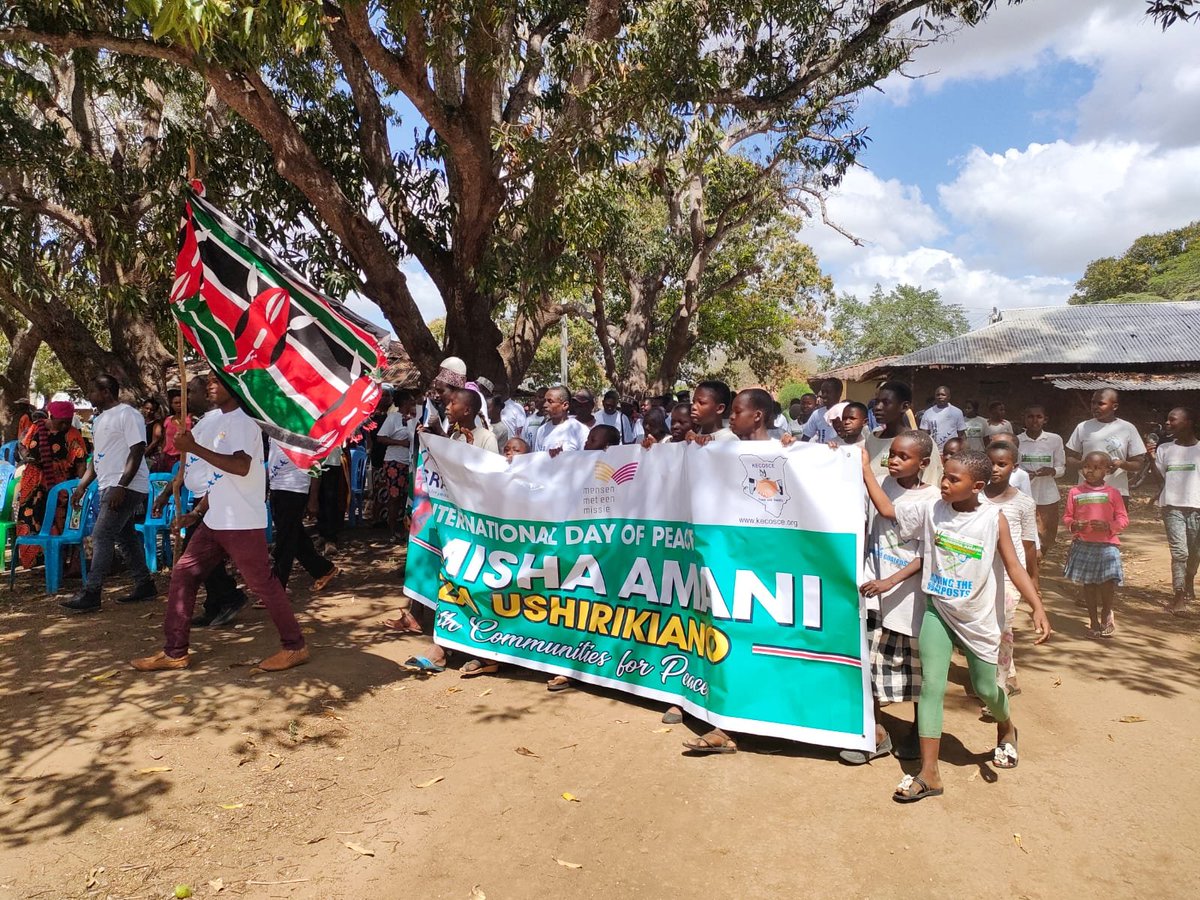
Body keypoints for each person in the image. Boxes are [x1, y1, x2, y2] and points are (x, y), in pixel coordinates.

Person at [861, 449, 1052, 802]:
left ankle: (1006, 726)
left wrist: (1037, 605)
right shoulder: (933, 509)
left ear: (976, 486)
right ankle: (929, 773)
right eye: (944, 476)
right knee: (932, 686)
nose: (944, 483)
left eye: (953, 479)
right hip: (938, 610)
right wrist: (863, 469)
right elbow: (889, 511)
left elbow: (1013, 566)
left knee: (985, 688)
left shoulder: (994, 520)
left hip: (978, 618)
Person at [132, 375, 309, 672]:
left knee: (262, 583)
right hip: (216, 519)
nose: (210, 386)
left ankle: (294, 646)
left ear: (235, 385)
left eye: (218, 380)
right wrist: (198, 511)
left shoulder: (244, 421)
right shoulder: (215, 421)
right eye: (208, 381)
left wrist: (195, 448)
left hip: (240, 520)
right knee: (184, 574)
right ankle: (175, 651)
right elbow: (218, 478)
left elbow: (239, 467)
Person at [682, 388, 782, 752]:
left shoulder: (783, 454)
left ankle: (765, 721)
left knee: (763, 643)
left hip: (767, 570)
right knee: (728, 640)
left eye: (737, 412)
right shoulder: (718, 452)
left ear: (757, 416)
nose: (732, 419)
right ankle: (726, 728)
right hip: (729, 564)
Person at [840, 429, 935, 766]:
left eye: (903, 457)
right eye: (891, 454)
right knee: (871, 664)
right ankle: (876, 732)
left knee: (914, 671)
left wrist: (890, 580)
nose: (894, 461)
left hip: (907, 598)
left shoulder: (930, 500)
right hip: (874, 591)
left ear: (923, 463)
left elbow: (923, 551)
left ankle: (916, 728)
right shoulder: (883, 481)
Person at [152, 373, 248, 628]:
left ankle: (228, 597)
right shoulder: (200, 423)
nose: (185, 399)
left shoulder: (219, 421)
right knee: (204, 556)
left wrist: (204, 503)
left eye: (190, 393)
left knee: (195, 556)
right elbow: (188, 464)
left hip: (212, 499)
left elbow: (221, 465)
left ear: (206, 393)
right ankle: (217, 603)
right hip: (200, 498)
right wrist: (166, 492)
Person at [61, 374, 157, 613]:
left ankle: (92, 592)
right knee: (124, 537)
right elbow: (98, 458)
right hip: (109, 485)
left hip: (126, 486)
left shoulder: (128, 414)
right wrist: (82, 486)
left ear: (105, 392)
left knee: (102, 534)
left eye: (92, 391)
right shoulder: (99, 419)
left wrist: (122, 486)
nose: (89, 396)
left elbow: (137, 450)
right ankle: (145, 584)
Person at [981, 441, 1039, 697]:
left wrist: (1033, 580)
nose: (995, 469)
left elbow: (1028, 545)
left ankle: (998, 688)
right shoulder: (974, 496)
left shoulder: (1024, 503)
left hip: (1008, 576)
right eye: (991, 463)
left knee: (1003, 631)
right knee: (985, 629)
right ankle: (995, 675)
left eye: (1002, 464)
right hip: (978, 574)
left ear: (1013, 467)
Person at [14, 400, 87, 570]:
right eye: (61, 421)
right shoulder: (35, 428)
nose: (65, 425)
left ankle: (59, 564)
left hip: (59, 486)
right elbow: (22, 446)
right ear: (51, 416)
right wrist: (28, 457)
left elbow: (81, 461)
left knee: (58, 522)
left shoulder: (73, 434)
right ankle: (36, 563)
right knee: (32, 520)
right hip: (32, 485)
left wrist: (82, 486)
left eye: (68, 422)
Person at [1063, 451, 1129, 637]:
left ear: (1107, 471)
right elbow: (1068, 516)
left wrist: (1109, 525)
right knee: (1089, 584)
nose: (1090, 471)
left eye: (1096, 468)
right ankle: (1092, 619)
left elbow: (1123, 519)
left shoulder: (1113, 493)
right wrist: (1074, 525)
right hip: (1084, 544)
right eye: (1086, 466)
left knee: (1108, 583)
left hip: (1108, 545)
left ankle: (1107, 612)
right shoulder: (1075, 492)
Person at [268, 438, 339, 592]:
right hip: (277, 488)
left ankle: (277, 587)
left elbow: (315, 465)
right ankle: (323, 569)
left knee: (285, 539)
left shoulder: (302, 429)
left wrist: (313, 498)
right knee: (294, 535)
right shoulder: (273, 425)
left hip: (294, 489)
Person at [1155, 407, 1200, 615]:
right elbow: (1161, 480)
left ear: (1188, 422)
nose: (1167, 423)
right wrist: (1150, 459)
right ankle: (1179, 596)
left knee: (1195, 552)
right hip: (1172, 506)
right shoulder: (1164, 449)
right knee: (1180, 552)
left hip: (1197, 507)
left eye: (1172, 420)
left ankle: (1189, 579)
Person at [1065, 389, 1146, 499]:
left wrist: (1122, 464)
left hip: (1117, 491)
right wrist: (1084, 464)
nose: (1095, 407)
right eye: (1093, 403)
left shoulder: (1127, 428)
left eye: (1101, 403)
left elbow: (1139, 463)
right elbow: (1069, 458)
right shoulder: (1083, 427)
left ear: (1115, 406)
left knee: (1117, 517)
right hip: (1087, 492)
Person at [865, 382, 942, 488]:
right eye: (877, 402)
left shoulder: (921, 442)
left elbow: (931, 481)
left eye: (886, 402)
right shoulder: (872, 438)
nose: (877, 407)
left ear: (904, 406)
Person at [1017, 405, 1066, 549]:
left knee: (1047, 532)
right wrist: (1023, 475)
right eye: (1030, 417)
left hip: (1047, 493)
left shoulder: (1054, 439)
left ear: (1045, 420)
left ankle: (1041, 559)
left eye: (1038, 417)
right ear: (1024, 419)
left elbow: (1061, 468)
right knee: (1023, 531)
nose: (1034, 421)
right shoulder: (1017, 440)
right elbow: (1012, 466)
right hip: (1023, 493)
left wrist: (1051, 471)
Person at [374, 390, 417, 542]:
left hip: (408, 462)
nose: (414, 405)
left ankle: (405, 529)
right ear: (404, 403)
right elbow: (380, 437)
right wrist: (400, 443)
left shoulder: (413, 419)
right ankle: (392, 531)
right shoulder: (393, 418)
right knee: (394, 498)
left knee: (406, 497)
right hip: (394, 461)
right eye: (412, 402)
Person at [532, 386, 589, 455]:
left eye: (550, 401)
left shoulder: (580, 430)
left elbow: (586, 460)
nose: (545, 405)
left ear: (565, 405)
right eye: (544, 401)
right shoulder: (541, 430)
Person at [446, 389, 500, 453]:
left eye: (453, 403)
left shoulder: (487, 438)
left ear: (467, 411)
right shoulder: (454, 435)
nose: (447, 407)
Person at [918, 385, 966, 452]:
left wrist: (963, 450)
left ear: (949, 397)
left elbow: (961, 434)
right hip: (935, 451)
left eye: (943, 395)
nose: (940, 397)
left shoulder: (957, 412)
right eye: (938, 395)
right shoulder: (928, 413)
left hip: (952, 451)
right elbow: (924, 434)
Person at [158, 389, 191, 473]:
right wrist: (162, 454)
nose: (179, 405)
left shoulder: (190, 419)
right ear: (171, 405)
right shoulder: (168, 420)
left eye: (181, 402)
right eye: (176, 403)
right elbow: (165, 439)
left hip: (183, 457)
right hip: (168, 457)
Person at [801, 378, 843, 444]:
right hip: (822, 453)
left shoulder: (846, 413)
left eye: (828, 392)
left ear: (838, 393)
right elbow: (805, 438)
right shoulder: (817, 414)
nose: (823, 395)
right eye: (823, 392)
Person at [141, 398, 167, 469]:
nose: (149, 411)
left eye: (152, 410)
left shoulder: (156, 424)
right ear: (143, 407)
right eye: (147, 408)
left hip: (150, 456)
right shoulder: (140, 421)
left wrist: (143, 454)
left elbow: (155, 441)